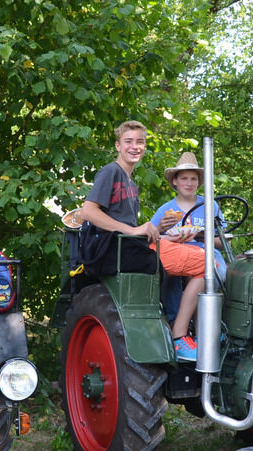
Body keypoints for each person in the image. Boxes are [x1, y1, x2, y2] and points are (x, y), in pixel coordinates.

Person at [80, 121, 206, 361]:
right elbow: (89, 212)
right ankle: (179, 336)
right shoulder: (111, 172)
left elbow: (133, 228)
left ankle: (194, 332)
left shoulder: (131, 182)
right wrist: (133, 229)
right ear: (118, 145)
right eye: (129, 141)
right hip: (112, 248)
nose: (134, 147)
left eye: (140, 142)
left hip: (128, 244)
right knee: (204, 264)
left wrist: (160, 231)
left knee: (195, 260)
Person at [149, 152, 225, 321]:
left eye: (193, 179)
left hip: (208, 255)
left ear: (199, 182)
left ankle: (207, 329)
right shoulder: (165, 210)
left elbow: (222, 242)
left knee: (215, 272)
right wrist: (164, 230)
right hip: (177, 256)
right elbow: (150, 237)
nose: (189, 183)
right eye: (184, 178)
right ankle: (178, 325)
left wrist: (199, 236)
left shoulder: (209, 206)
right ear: (175, 181)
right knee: (173, 277)